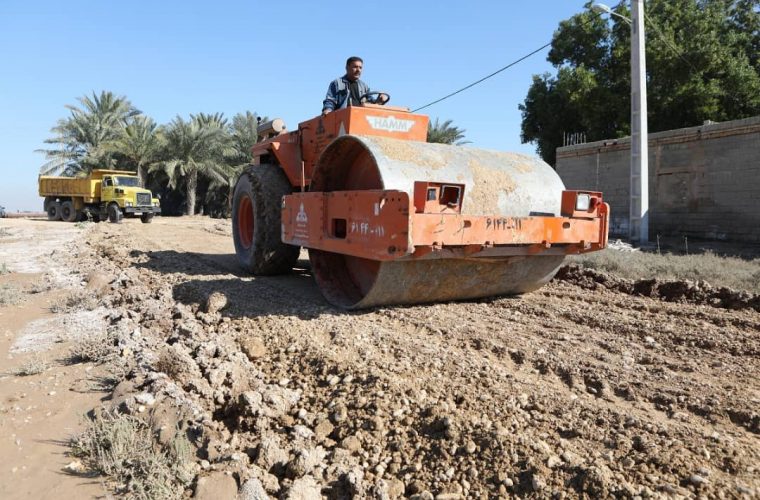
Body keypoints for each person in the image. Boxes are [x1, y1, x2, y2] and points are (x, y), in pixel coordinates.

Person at [322, 56, 388, 115]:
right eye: (355, 67)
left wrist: (379, 101)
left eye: (360, 68)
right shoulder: (337, 83)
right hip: (343, 118)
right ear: (347, 68)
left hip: (360, 118)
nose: (358, 70)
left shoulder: (364, 86)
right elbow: (330, 100)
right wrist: (328, 109)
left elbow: (370, 102)